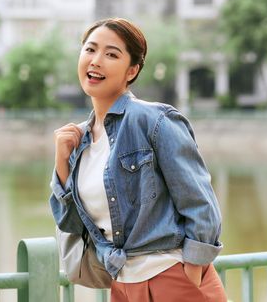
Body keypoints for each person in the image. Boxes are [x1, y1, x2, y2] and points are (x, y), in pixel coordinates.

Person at [49, 18, 227, 302]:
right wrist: (61, 162)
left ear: (132, 71)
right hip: (123, 284)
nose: (96, 61)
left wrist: (190, 271)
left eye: (111, 54)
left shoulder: (155, 121)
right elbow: (70, 224)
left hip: (170, 276)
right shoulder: (78, 140)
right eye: (90, 50)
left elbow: (200, 202)